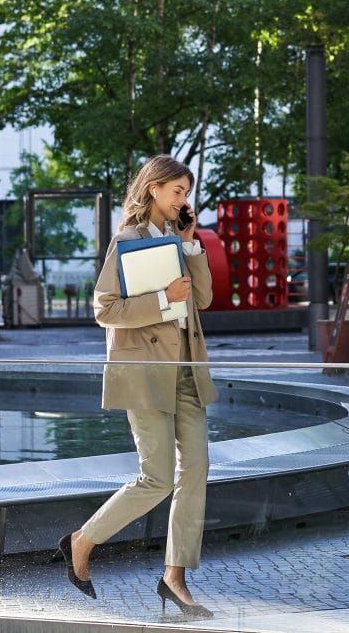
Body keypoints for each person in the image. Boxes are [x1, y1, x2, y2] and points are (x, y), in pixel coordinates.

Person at [62, 155, 215, 619]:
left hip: (186, 369)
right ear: (154, 189)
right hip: (146, 371)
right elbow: (105, 309)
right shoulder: (127, 241)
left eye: (187, 194)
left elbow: (204, 298)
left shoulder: (178, 240)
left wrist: (190, 245)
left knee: (196, 470)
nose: (183, 201)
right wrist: (162, 298)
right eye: (177, 192)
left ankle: (175, 576)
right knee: (158, 478)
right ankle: (82, 540)